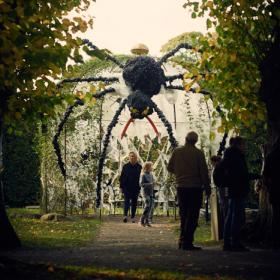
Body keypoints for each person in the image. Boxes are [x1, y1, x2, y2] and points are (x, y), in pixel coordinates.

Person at [167, 131, 211, 250]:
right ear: (196, 141)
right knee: (192, 216)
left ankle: (182, 240)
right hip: (195, 188)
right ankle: (187, 242)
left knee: (184, 214)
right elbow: (203, 172)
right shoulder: (198, 154)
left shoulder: (177, 152)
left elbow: (169, 167)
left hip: (181, 187)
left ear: (186, 139)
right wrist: (207, 188)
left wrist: (180, 173)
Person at [222, 136, 259, 251]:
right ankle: (235, 243)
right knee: (236, 217)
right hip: (238, 189)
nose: (245, 147)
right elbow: (241, 174)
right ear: (238, 145)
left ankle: (227, 242)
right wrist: (257, 176)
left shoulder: (228, 155)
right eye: (243, 145)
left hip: (232, 189)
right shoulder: (236, 156)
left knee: (230, 216)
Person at [263, 138, 280, 250]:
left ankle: (276, 241)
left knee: (276, 217)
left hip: (275, 190)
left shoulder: (270, 156)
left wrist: (269, 187)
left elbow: (265, 175)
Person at [119, 151, 142, 223]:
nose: (132, 157)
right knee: (126, 201)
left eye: (134, 156)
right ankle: (125, 216)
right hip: (126, 187)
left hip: (136, 187)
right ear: (129, 157)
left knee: (134, 202)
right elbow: (122, 177)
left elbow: (141, 177)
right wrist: (121, 187)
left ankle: (133, 217)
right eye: (131, 156)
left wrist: (141, 187)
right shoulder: (125, 166)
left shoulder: (139, 167)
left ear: (136, 158)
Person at [140, 161, 155, 227]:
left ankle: (147, 221)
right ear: (147, 167)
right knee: (147, 206)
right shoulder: (143, 175)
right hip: (145, 193)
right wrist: (150, 184)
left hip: (151, 193)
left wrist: (155, 184)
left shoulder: (151, 175)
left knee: (151, 207)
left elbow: (152, 183)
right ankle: (142, 220)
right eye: (151, 166)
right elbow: (141, 184)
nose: (152, 167)